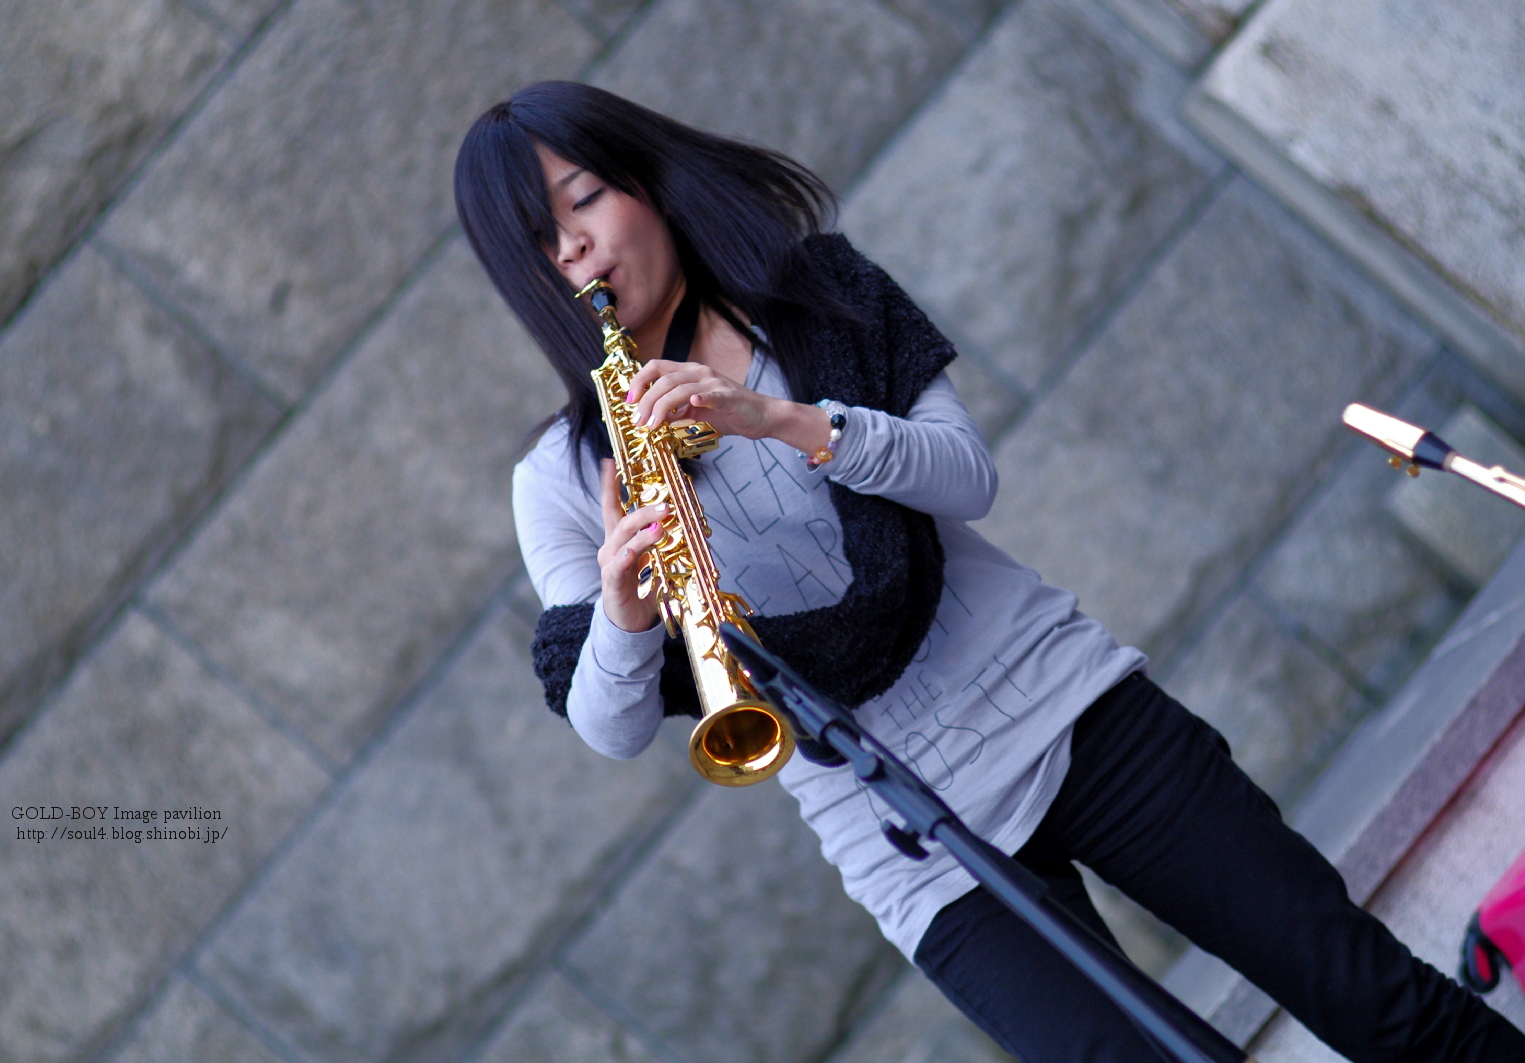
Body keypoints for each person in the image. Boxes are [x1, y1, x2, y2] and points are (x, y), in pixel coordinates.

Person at [453, 80, 1525, 1063]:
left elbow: (965, 476)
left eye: (584, 198)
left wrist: (778, 419)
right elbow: (610, 727)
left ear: (647, 181)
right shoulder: (559, 478)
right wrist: (625, 613)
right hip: (912, 848)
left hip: (1074, 714)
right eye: (540, 240)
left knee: (1373, 997)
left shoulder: (821, 293)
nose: (574, 247)